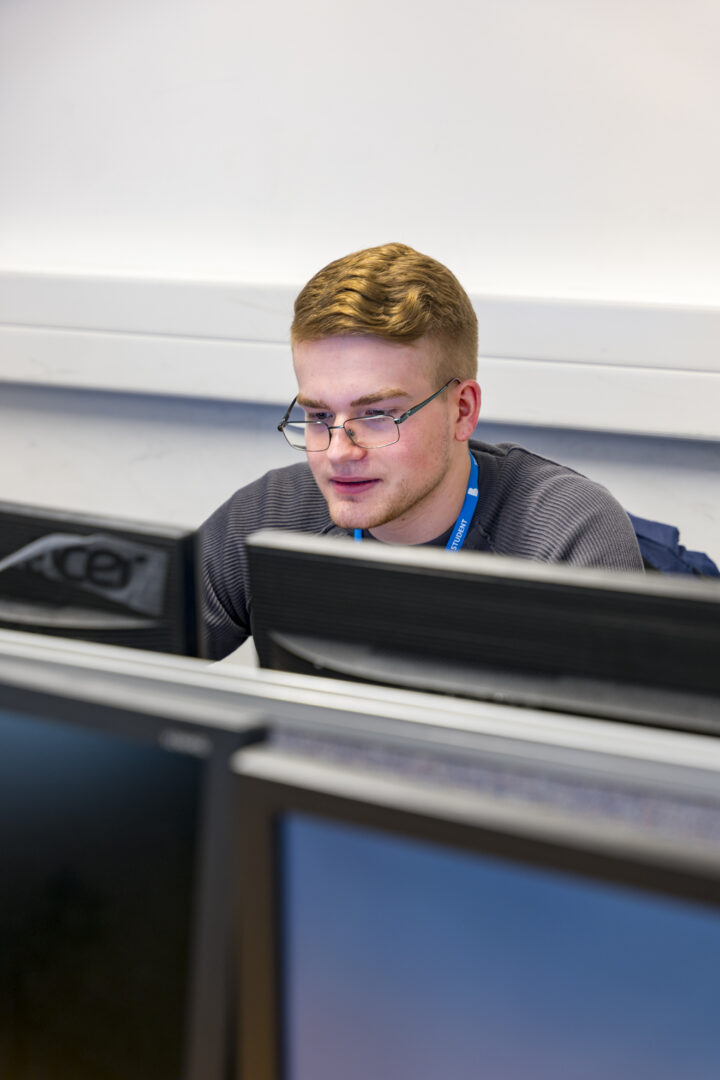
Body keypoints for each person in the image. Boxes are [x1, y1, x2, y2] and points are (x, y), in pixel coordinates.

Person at [199, 242, 643, 659]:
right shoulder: (269, 518)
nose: (337, 453)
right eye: (318, 417)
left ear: (462, 411)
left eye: (376, 415)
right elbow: (138, 660)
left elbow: (614, 736)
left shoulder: (563, 534)